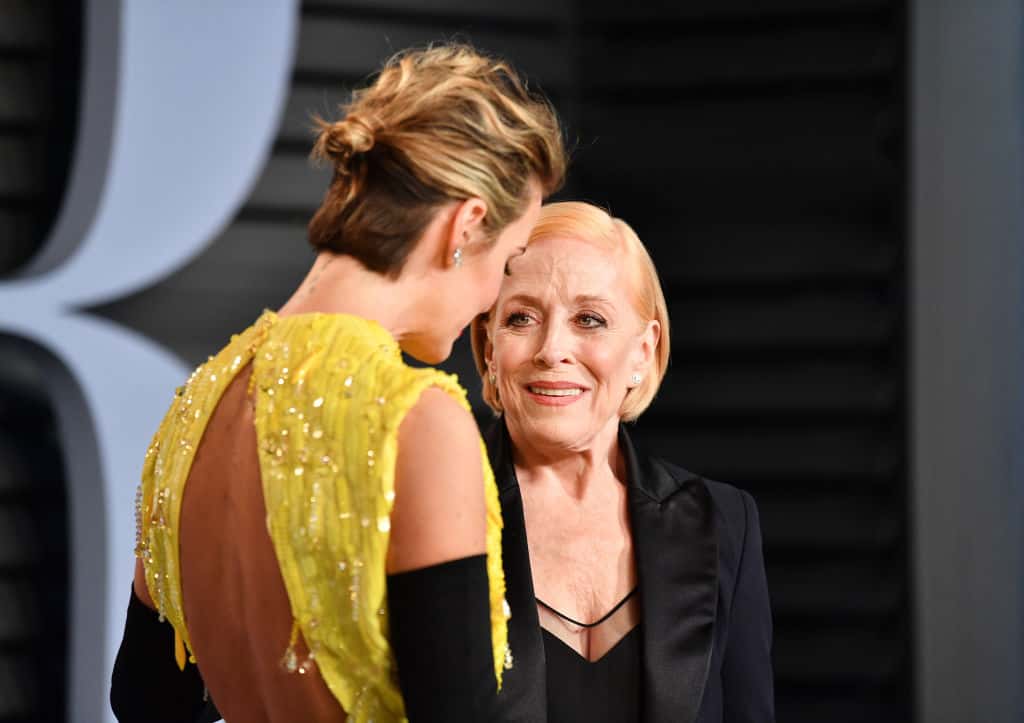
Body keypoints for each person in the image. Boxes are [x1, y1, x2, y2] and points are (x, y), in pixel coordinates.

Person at [109, 44, 566, 723]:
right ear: (466, 227)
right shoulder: (418, 420)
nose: (491, 302)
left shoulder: (193, 409)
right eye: (507, 261)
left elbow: (145, 699)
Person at [470, 201, 775, 722]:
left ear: (642, 351)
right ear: (488, 347)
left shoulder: (725, 522)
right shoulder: (433, 515)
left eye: (589, 319)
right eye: (521, 317)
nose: (552, 349)